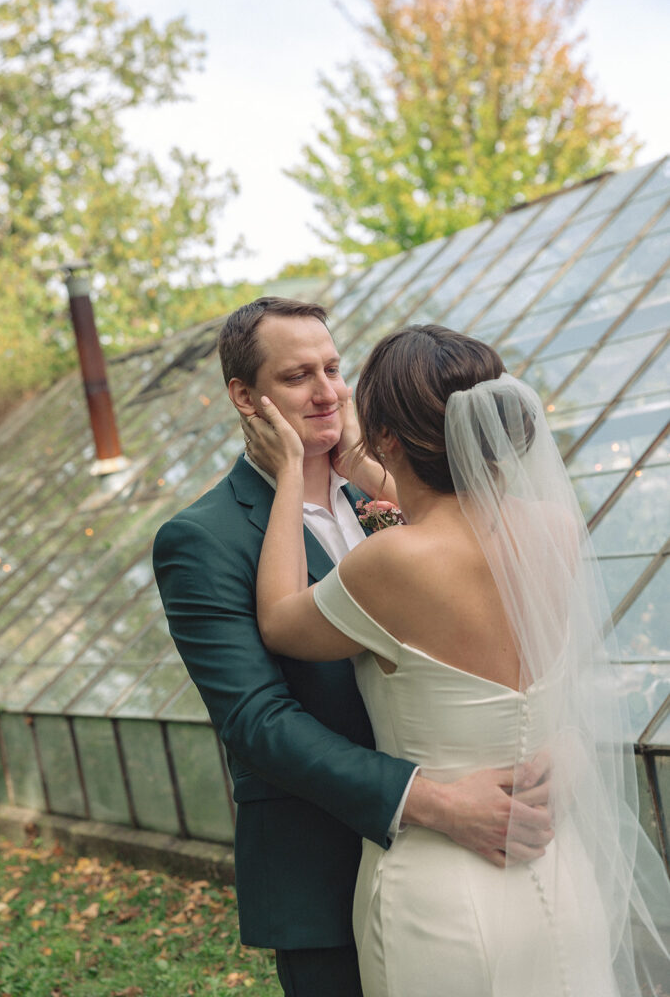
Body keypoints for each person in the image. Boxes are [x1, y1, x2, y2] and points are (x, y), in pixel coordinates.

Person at [245, 323, 670, 997]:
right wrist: (373, 457)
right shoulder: (552, 528)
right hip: (558, 872)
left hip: (442, 892)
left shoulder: (389, 562)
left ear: (385, 435)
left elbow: (278, 621)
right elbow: (457, 508)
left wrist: (290, 470)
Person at [152, 298, 554, 997]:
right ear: (245, 397)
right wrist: (430, 802)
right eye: (296, 376)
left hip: (492, 849)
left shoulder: (407, 502)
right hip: (327, 874)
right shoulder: (202, 538)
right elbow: (255, 722)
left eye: (334, 368)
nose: (327, 391)